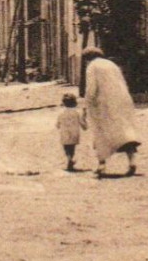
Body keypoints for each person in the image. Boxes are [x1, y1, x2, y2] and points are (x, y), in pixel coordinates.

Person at [81, 46, 140, 177]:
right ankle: (132, 162)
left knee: (100, 132)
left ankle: (101, 165)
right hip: (122, 101)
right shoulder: (111, 64)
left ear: (87, 58)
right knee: (124, 132)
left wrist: (86, 106)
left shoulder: (92, 67)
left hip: (103, 104)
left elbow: (91, 89)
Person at [56, 92, 83, 172]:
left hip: (64, 132)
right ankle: (70, 159)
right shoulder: (77, 113)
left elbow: (58, 123)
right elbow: (82, 122)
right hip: (74, 132)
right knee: (72, 147)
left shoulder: (61, 113)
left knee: (66, 147)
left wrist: (58, 126)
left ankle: (69, 158)